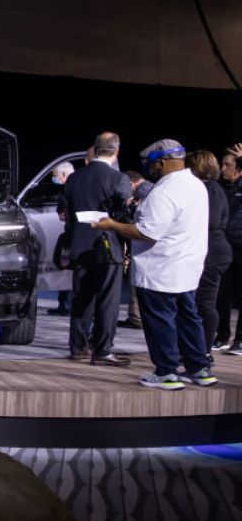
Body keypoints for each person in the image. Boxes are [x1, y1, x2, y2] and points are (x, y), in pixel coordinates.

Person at [91, 139, 216, 388]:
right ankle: (200, 368)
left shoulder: (165, 191)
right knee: (188, 318)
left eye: (151, 165)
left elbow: (147, 233)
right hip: (187, 267)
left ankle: (166, 371)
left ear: (161, 162)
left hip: (161, 270)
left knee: (160, 320)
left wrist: (111, 225)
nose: (150, 170)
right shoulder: (196, 185)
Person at [63, 132, 133, 366]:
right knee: (108, 302)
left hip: (80, 246)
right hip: (106, 246)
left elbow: (67, 214)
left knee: (81, 299)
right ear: (116, 151)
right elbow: (123, 214)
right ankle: (102, 351)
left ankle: (77, 347)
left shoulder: (73, 179)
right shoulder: (118, 179)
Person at [186, 151, 232, 363]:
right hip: (212, 249)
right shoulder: (213, 189)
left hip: (211, 251)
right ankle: (197, 349)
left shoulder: (208, 190)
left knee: (204, 303)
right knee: (200, 302)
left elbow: (210, 222)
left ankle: (203, 352)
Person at [214, 143, 242, 354]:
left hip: (241, 247)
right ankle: (222, 335)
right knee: (221, 294)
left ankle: (240, 340)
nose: (223, 168)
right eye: (222, 164)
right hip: (224, 247)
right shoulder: (218, 187)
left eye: (228, 165)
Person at [119, 170, 153, 329]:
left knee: (137, 279)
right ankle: (136, 316)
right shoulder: (152, 188)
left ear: (131, 184)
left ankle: (136, 317)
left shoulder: (141, 192)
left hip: (141, 243)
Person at [49, 161, 75, 316]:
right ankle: (64, 304)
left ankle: (65, 304)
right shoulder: (81, 185)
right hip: (75, 233)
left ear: (64, 175)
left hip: (72, 234)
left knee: (66, 266)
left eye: (57, 176)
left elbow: (64, 215)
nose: (56, 179)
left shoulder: (69, 189)